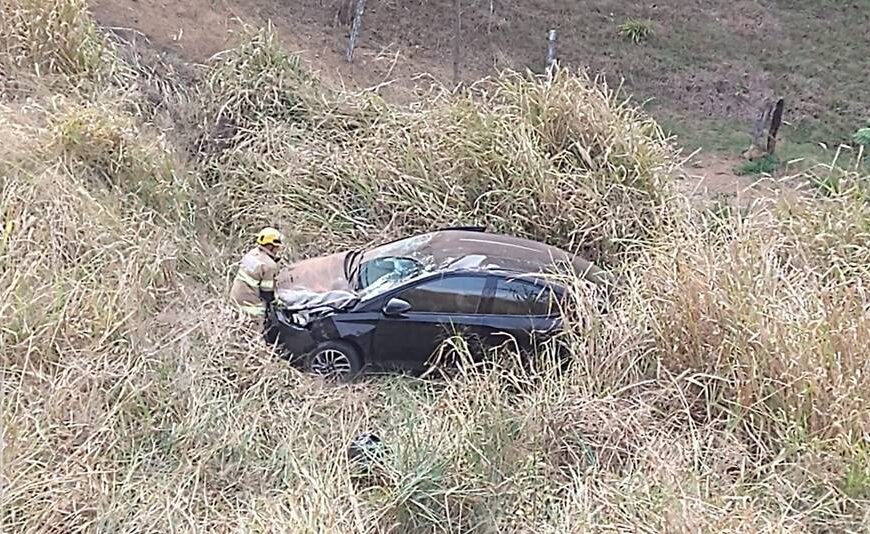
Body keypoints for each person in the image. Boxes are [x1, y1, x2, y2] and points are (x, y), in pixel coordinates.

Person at [229, 227, 285, 333]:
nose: (278, 249)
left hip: (235, 299)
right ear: (270, 246)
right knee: (255, 333)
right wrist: (279, 304)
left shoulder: (252, 254)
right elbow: (267, 294)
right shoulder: (268, 265)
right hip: (250, 306)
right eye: (277, 247)